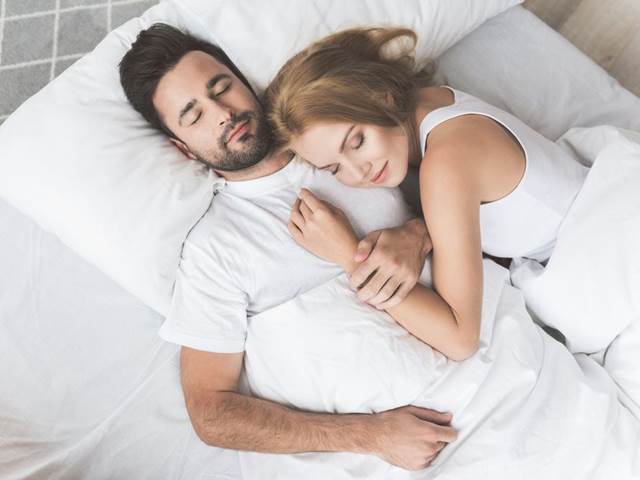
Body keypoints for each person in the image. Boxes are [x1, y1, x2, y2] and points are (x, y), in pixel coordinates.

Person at [119, 23, 456, 471]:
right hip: (409, 446)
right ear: (184, 150)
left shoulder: (340, 137)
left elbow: (466, 173)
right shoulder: (212, 251)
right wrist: (371, 435)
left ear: (246, 84)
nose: (223, 113)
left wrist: (420, 232)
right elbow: (211, 413)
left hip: (489, 351)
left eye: (222, 88)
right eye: (194, 115)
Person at [265, 27, 589, 361]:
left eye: (357, 141)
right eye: (334, 168)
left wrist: (349, 255)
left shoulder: (444, 165)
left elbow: (460, 339)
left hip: (593, 256)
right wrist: (418, 231)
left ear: (381, 96)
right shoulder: (433, 102)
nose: (357, 171)